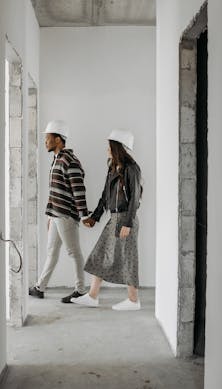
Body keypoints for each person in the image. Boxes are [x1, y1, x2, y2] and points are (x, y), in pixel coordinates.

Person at [72, 130, 142, 311]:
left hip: (126, 218)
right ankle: (92, 296)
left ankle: (133, 301)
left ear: (116, 147)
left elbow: (134, 198)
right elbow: (105, 196)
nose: (107, 150)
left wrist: (128, 223)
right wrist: (95, 217)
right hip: (114, 218)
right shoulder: (112, 168)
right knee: (101, 253)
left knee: (128, 258)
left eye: (109, 146)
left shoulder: (131, 168)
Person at [28, 120, 90, 303]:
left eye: (48, 139)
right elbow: (54, 189)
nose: (45, 142)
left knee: (74, 252)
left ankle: (80, 290)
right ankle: (40, 287)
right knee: (52, 252)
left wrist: (83, 214)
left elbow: (79, 190)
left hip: (66, 216)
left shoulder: (69, 161)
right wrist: (50, 214)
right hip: (56, 215)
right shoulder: (57, 159)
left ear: (58, 139)